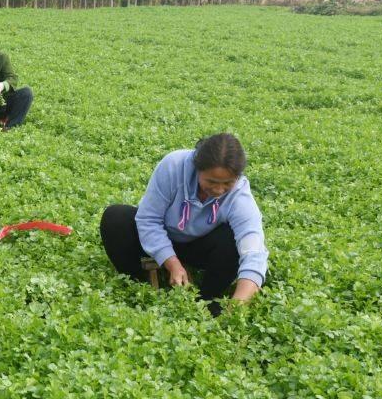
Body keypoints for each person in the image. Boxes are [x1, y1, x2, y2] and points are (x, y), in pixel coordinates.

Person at [99, 133, 268, 315]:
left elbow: (254, 251)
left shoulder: (240, 195)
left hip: (198, 246)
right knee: (115, 218)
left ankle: (207, 300)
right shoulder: (173, 166)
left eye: (227, 183)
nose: (219, 190)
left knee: (231, 239)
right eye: (211, 181)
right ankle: (139, 285)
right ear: (198, 169)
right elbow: (149, 219)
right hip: (163, 235)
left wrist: (239, 304)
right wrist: (172, 263)